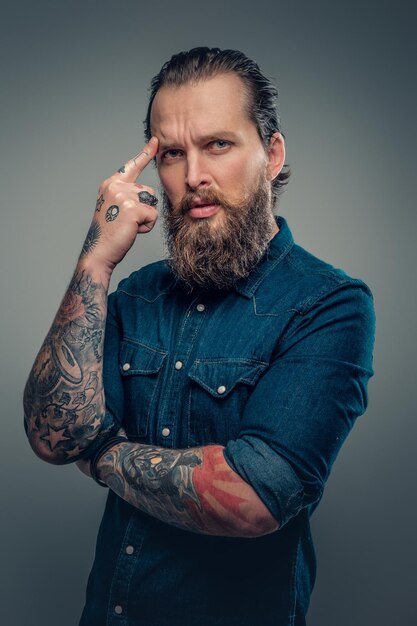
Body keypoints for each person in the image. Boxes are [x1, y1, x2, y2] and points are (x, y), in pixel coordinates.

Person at [23, 47, 376, 626]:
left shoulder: (329, 304)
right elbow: (52, 433)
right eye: (170, 154)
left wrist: (103, 452)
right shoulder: (134, 293)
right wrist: (94, 264)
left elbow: (255, 499)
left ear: (272, 154)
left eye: (218, 144)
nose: (193, 178)